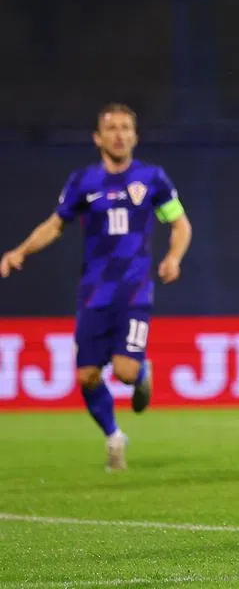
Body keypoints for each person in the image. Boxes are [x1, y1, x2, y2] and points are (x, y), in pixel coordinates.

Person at [0, 104, 192, 471]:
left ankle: (141, 373)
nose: (119, 134)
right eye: (111, 128)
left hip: (134, 289)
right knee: (87, 375)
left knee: (125, 372)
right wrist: (20, 251)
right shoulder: (83, 182)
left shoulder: (152, 179)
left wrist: (173, 258)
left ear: (135, 136)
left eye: (126, 128)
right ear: (97, 138)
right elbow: (55, 225)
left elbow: (180, 224)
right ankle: (114, 436)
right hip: (94, 291)